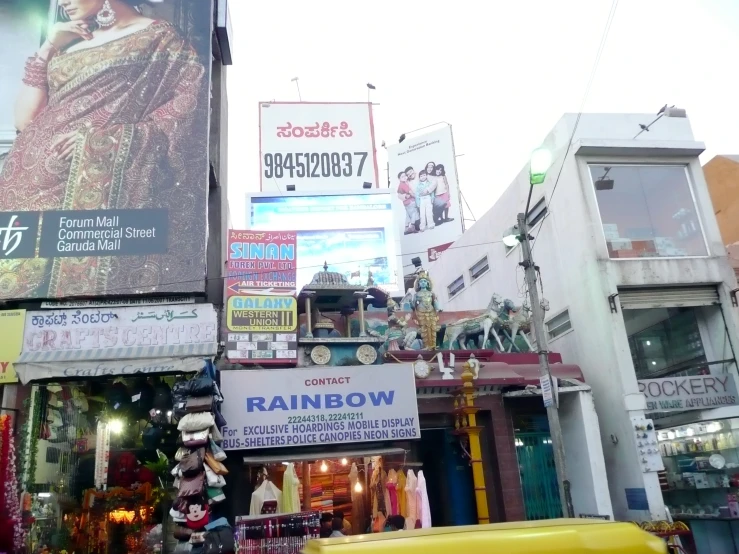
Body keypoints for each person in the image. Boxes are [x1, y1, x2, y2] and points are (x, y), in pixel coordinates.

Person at [0, 0, 208, 299]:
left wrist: (107, 142)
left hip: (87, 190)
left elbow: (186, 110)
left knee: (66, 307)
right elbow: (25, 121)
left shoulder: (160, 40)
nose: (62, 3)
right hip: (23, 191)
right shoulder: (65, 44)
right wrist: (47, 47)